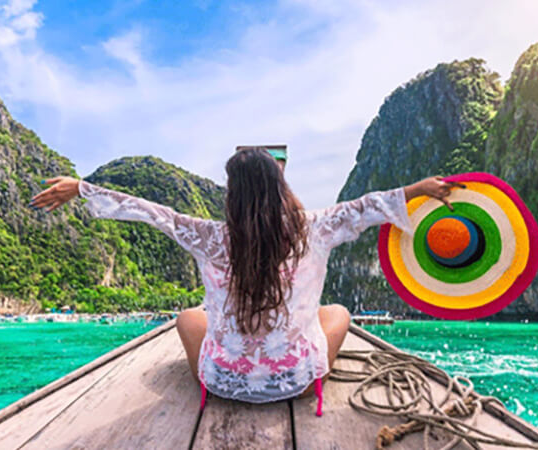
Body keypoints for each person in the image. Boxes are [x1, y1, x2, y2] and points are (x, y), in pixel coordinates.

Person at [29, 147, 460, 415]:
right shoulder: (315, 227)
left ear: (232, 193)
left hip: (223, 380)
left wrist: (82, 188)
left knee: (187, 318)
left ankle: (230, 366)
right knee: (339, 313)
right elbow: (368, 207)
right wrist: (419, 188)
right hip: (298, 380)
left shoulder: (211, 236)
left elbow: (150, 212)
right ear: (280, 185)